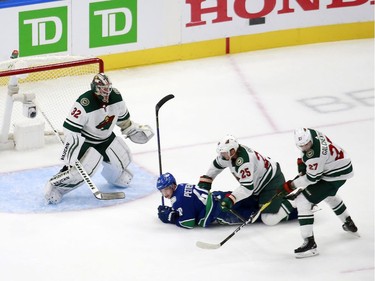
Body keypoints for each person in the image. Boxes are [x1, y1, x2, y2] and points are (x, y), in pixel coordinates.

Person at [44, 73, 154, 204]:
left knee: (123, 158)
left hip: (106, 138)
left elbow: (123, 121)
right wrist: (72, 150)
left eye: (108, 88)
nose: (107, 92)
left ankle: (115, 177)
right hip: (87, 142)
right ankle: (55, 186)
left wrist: (132, 129)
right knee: (82, 171)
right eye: (103, 89)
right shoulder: (84, 102)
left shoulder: (116, 97)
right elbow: (70, 129)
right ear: (95, 89)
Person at [281, 128, 358, 258]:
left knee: (303, 201)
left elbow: (311, 179)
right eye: (302, 145)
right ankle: (348, 222)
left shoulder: (315, 156)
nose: (305, 147)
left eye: (307, 144)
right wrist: (302, 164)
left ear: (310, 140)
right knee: (328, 195)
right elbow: (306, 157)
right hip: (340, 164)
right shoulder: (311, 133)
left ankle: (310, 245)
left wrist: (291, 185)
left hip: (335, 175)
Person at [198, 134, 297, 226]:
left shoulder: (244, 162)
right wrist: (207, 179)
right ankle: (283, 198)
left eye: (224, 153)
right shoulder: (231, 155)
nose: (222, 156)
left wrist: (231, 199)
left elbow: (247, 188)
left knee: (268, 219)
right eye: (221, 153)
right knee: (252, 205)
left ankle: (296, 202)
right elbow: (216, 165)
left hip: (271, 183)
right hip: (259, 184)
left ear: (233, 151)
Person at [156, 172, 260, 228]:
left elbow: (189, 223)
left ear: (173, 186)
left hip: (217, 212)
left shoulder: (179, 200)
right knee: (249, 199)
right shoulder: (181, 186)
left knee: (253, 215)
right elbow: (191, 204)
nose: (164, 194)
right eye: (162, 191)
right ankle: (266, 199)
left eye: (166, 189)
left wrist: (171, 218)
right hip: (219, 197)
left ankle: (271, 214)